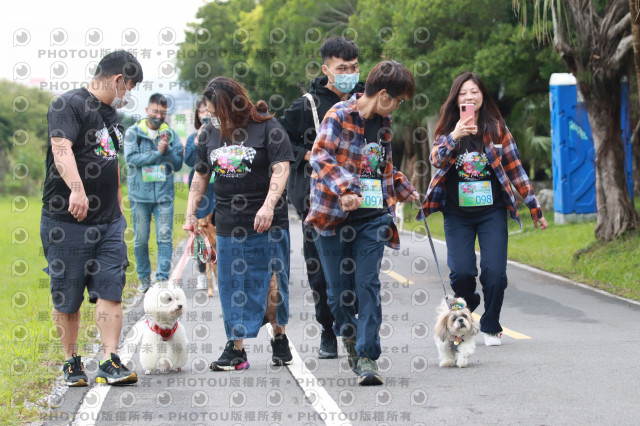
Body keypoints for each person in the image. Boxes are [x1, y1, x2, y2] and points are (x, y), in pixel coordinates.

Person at [305, 60, 419, 386]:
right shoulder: (338, 115)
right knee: (337, 294)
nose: (397, 107)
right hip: (332, 217)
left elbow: (379, 167)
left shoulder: (384, 123)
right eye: (398, 100)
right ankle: (350, 336)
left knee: (367, 284)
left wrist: (404, 187)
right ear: (383, 95)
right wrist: (345, 189)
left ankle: (368, 356)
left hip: (372, 218)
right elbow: (320, 155)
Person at [419, 71, 548, 347]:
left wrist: (534, 207)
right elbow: (436, 159)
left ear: (482, 96)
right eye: (463, 93)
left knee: (494, 273)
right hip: (457, 214)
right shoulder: (447, 129)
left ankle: (491, 325)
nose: (469, 97)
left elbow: (515, 169)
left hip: (492, 212)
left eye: (474, 92)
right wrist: (455, 136)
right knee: (462, 273)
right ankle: (471, 300)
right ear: (456, 99)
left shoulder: (497, 128)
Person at [41, 50, 143, 386]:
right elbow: (61, 147)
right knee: (67, 295)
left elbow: (111, 163)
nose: (127, 95)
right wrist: (77, 189)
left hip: (109, 222)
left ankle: (109, 359)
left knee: (111, 287)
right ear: (118, 80)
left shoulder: (113, 116)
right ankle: (71, 362)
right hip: (66, 221)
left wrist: (120, 207)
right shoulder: (69, 104)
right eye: (129, 88)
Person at [185, 76, 294, 370]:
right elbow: (201, 176)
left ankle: (279, 337)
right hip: (228, 223)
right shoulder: (209, 134)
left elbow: (281, 169)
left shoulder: (268, 127)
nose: (212, 119)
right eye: (209, 114)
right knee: (232, 285)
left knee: (273, 283)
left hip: (268, 222)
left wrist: (268, 206)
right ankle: (236, 348)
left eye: (216, 113)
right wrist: (190, 213)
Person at [280, 36, 364, 359]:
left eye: (354, 67)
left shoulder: (364, 99)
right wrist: (310, 154)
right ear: (326, 70)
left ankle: (354, 328)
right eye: (342, 68)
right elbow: (280, 141)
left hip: (359, 198)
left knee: (358, 268)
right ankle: (328, 331)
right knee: (320, 273)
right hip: (317, 203)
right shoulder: (307, 106)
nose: (349, 73)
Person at [124, 93, 184, 292]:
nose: (159, 116)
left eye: (163, 113)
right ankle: (144, 280)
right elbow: (132, 159)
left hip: (164, 195)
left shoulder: (171, 134)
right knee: (141, 240)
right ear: (147, 110)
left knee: (164, 237)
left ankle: (162, 279)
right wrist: (157, 153)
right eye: (155, 111)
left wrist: (167, 150)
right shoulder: (133, 133)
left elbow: (177, 164)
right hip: (140, 196)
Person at [184, 97, 216, 290]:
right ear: (197, 115)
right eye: (201, 111)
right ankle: (202, 271)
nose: (205, 114)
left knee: (216, 230)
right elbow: (189, 161)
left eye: (207, 110)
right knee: (200, 231)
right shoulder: (192, 137)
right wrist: (197, 141)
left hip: (216, 188)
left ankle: (218, 271)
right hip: (201, 190)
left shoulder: (218, 134)